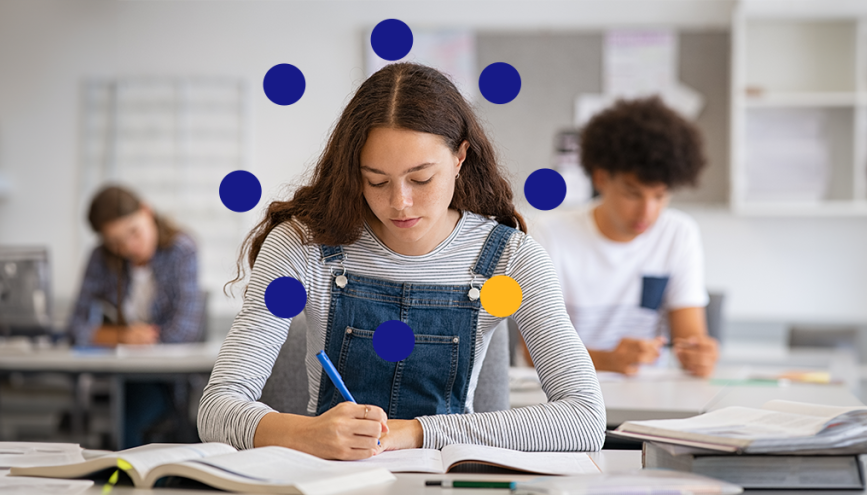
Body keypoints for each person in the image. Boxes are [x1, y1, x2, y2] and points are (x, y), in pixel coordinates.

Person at [199, 63, 605, 460]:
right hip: (330, 480)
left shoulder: (510, 259)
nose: (399, 203)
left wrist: (416, 431)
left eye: (421, 179)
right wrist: (305, 433)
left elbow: (584, 419)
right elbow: (217, 408)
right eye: (376, 180)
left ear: (460, 158)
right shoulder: (302, 245)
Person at [529, 97, 719, 378]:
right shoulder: (548, 234)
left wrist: (699, 355)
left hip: (646, 399)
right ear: (601, 178)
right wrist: (608, 360)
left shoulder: (678, 234)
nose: (647, 211)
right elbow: (533, 352)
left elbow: (689, 339)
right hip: (565, 396)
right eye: (633, 193)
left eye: (660, 195)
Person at [68, 185, 204, 447]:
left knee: (128, 421)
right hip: (118, 375)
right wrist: (123, 336)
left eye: (134, 232)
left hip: (165, 379)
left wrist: (111, 337)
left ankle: (129, 481)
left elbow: (185, 331)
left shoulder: (182, 250)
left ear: (146, 211)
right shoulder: (100, 258)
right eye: (116, 242)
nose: (130, 247)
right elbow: (74, 327)